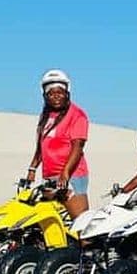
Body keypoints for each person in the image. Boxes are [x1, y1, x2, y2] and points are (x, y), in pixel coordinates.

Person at [26, 69, 90, 219]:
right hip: (50, 176)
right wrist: (32, 168)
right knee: (49, 221)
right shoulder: (46, 116)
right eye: (51, 93)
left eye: (60, 92)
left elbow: (78, 146)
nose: (56, 96)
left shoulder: (77, 115)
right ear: (45, 96)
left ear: (67, 92)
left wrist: (65, 173)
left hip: (71, 176)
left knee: (81, 224)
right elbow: (41, 146)